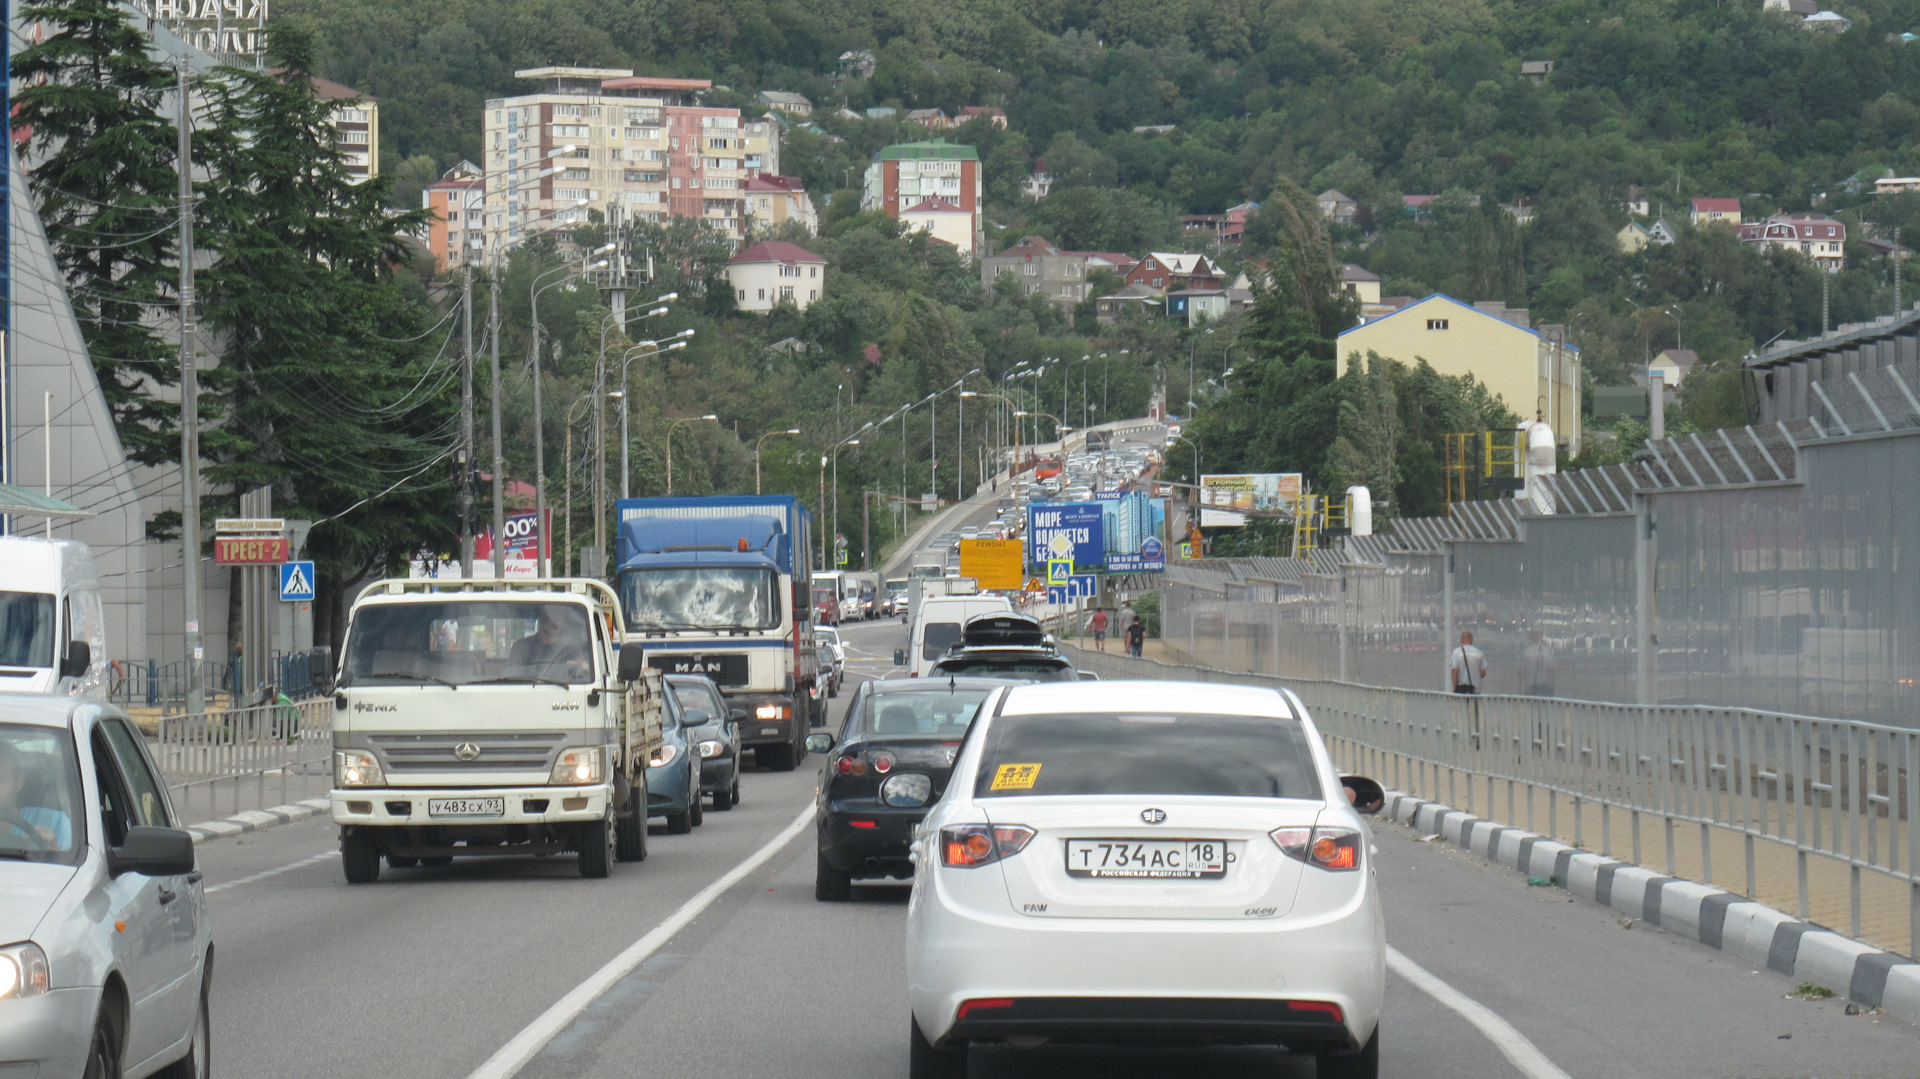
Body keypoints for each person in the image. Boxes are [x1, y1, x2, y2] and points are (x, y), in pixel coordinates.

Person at [0, 740, 71, 850]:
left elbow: (71, 863)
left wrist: (51, 853)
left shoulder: (55, 822)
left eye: (1, 779)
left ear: (19, 782)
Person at [509, 609, 590, 681]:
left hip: (562, 692)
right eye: (547, 618)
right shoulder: (521, 647)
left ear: (562, 622)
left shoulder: (571, 649)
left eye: (556, 619)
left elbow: (582, 675)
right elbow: (510, 677)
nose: (551, 623)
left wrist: (583, 667)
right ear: (541, 620)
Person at [1448, 630, 1486, 695]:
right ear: (1472, 640)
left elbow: (1454, 671)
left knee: (1462, 705)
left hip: (1461, 690)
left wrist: (1455, 688)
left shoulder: (1456, 653)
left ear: (1461, 640)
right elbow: (1483, 673)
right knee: (1474, 705)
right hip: (1475, 690)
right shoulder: (1479, 653)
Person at [1521, 629, 1555, 696]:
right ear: (1541, 638)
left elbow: (1522, 672)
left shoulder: (1526, 652)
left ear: (1530, 638)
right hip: (1544, 685)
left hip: (1529, 686)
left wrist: (1523, 685)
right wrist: (1551, 686)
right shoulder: (1547, 652)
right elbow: (1551, 671)